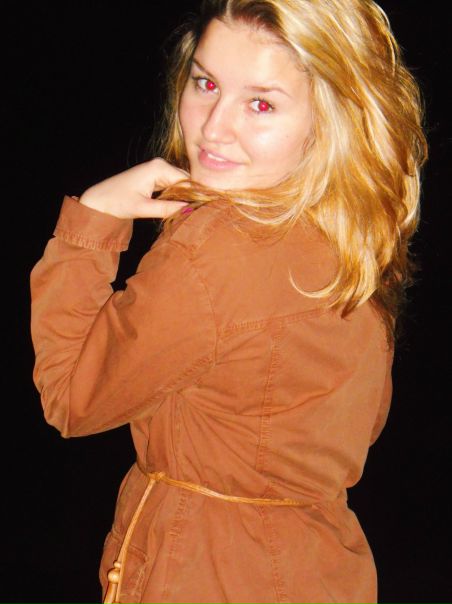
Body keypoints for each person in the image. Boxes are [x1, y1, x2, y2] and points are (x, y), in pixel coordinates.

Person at [30, 0, 427, 602]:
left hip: (209, 570)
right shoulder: (352, 236)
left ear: (330, 120)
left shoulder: (218, 250)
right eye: (206, 83)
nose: (213, 128)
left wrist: (95, 217)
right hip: (323, 566)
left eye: (261, 104)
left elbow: (70, 398)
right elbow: (357, 428)